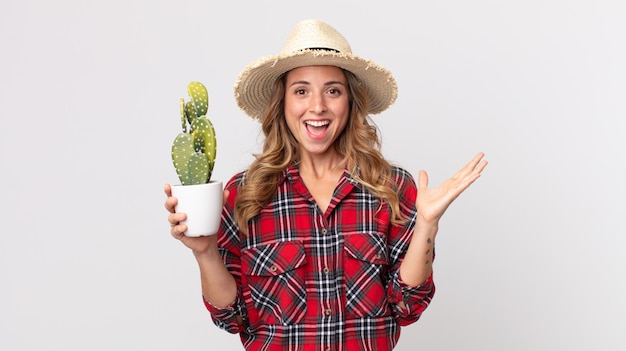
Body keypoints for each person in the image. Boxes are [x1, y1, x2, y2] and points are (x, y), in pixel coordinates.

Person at [164, 19, 487, 350]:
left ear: (350, 102)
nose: (317, 106)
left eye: (332, 91)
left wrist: (427, 225)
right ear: (283, 103)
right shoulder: (244, 194)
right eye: (301, 91)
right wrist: (204, 252)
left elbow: (407, 306)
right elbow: (232, 317)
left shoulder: (390, 187)